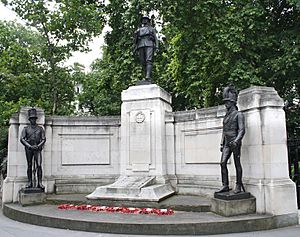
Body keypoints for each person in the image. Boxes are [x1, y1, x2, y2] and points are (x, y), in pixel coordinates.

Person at [217, 85, 246, 194]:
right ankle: (225, 185)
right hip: (226, 143)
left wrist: (237, 140)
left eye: (227, 102)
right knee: (222, 163)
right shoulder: (226, 116)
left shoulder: (239, 115)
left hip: (235, 142)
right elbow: (224, 131)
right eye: (225, 102)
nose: (225, 104)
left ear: (233, 102)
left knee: (237, 164)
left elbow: (242, 130)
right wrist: (221, 143)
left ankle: (238, 184)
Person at [20, 108, 46, 189]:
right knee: (29, 165)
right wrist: (29, 146)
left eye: (34, 118)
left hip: (37, 149)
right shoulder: (26, 129)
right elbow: (22, 139)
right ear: (29, 119)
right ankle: (30, 182)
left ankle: (40, 183)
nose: (33, 120)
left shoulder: (40, 129)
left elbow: (44, 139)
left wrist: (39, 146)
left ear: (36, 119)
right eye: (31, 119)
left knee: (39, 165)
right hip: (29, 149)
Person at [134, 16, 159, 82]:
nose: (144, 21)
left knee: (149, 60)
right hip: (141, 45)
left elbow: (156, 39)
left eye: (146, 19)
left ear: (148, 21)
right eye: (143, 20)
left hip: (149, 44)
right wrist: (135, 48)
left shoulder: (151, 29)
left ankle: (148, 76)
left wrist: (157, 46)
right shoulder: (138, 30)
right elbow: (135, 41)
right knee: (142, 61)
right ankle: (145, 76)